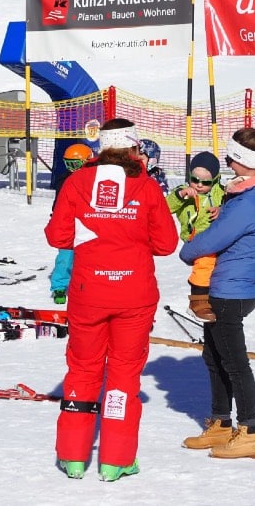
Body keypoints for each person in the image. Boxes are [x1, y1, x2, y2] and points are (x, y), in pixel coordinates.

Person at [45, 118, 178, 483]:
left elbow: (58, 236)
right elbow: (167, 244)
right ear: (134, 147)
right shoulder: (146, 186)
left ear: (100, 147)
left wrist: (96, 228)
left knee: (84, 370)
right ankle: (115, 460)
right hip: (134, 294)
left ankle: (74, 457)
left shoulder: (76, 182)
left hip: (89, 293)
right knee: (123, 374)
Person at [179, 124, 255, 460]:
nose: (228, 164)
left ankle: (249, 431)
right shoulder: (249, 194)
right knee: (214, 357)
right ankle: (221, 423)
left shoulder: (250, 202)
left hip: (230, 290)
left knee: (234, 362)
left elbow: (212, 239)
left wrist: (189, 249)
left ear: (244, 161)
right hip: (231, 285)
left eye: (231, 159)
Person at [168, 152, 255, 322]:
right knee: (204, 264)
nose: (199, 185)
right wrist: (179, 197)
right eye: (195, 180)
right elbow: (163, 208)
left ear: (215, 180)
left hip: (223, 234)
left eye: (206, 182)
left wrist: (220, 209)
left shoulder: (221, 192)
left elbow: (231, 207)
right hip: (201, 240)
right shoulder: (183, 194)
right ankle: (199, 300)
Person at [48, 143, 95, 305]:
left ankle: (91, 285)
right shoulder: (64, 180)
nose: (72, 168)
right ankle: (60, 286)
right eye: (69, 164)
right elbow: (58, 204)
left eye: (75, 164)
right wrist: (56, 218)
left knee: (92, 255)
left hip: (89, 222)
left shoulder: (94, 179)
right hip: (69, 224)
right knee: (66, 256)